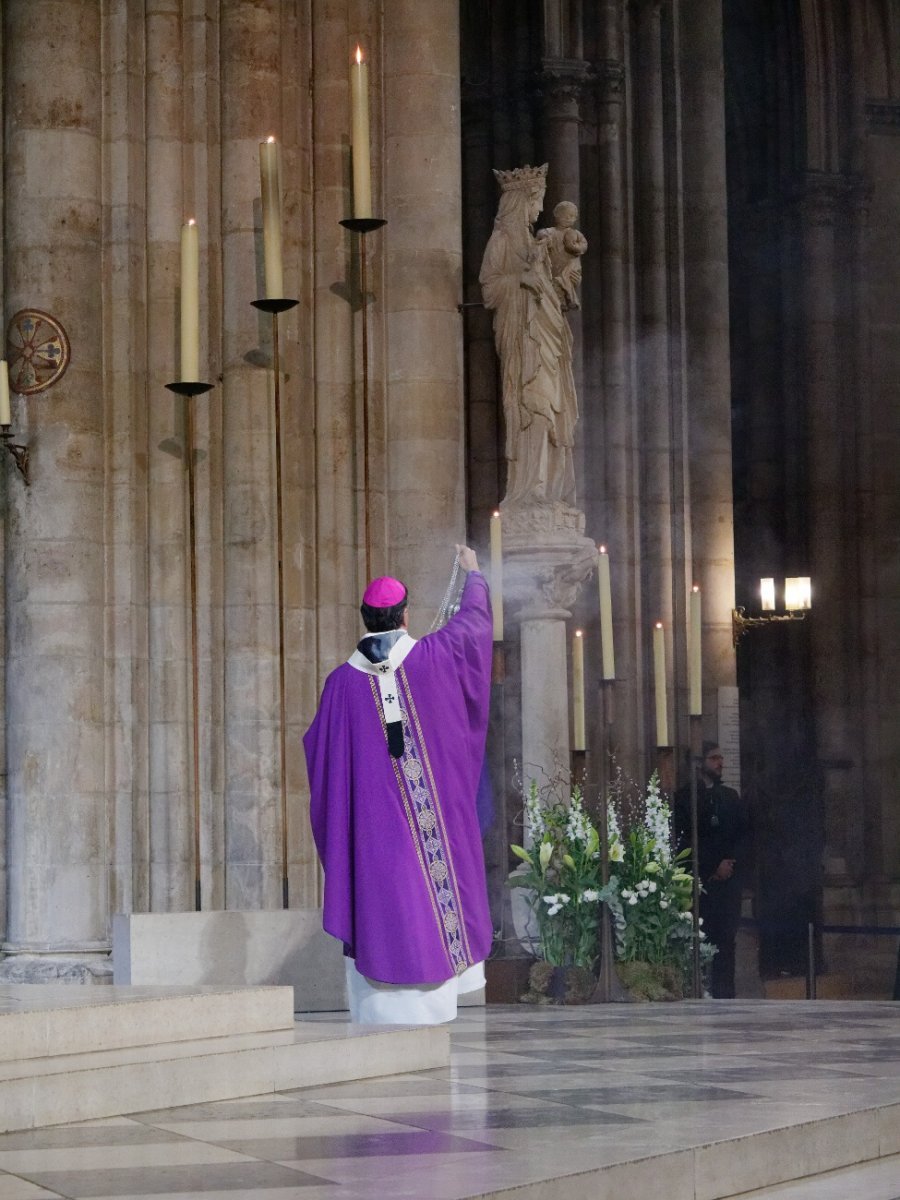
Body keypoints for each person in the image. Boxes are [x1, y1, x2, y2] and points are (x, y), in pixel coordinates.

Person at [303, 546, 493, 1024]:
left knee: (380, 909)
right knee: (432, 901)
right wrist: (474, 576)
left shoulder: (340, 685)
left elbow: (320, 762)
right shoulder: (435, 657)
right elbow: (472, 627)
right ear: (405, 616)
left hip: (372, 839)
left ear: (365, 619)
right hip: (431, 831)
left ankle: (379, 1006)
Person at [479, 163, 579, 508]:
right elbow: (490, 289)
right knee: (533, 409)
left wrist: (561, 278)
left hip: (548, 340)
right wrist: (521, 280)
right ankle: (528, 489)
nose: (539, 209)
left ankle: (550, 489)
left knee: (552, 412)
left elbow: (553, 290)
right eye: (536, 200)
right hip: (524, 343)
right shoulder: (503, 240)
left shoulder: (539, 242)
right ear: (521, 201)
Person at [674, 742, 750, 999]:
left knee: (726, 942)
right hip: (702, 883)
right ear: (698, 763)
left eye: (721, 757)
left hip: (728, 884)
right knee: (699, 940)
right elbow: (685, 840)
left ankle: (726, 994)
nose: (720, 763)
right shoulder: (685, 797)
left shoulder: (730, 797)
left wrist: (730, 863)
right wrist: (711, 867)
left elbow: (743, 836)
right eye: (714, 758)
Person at [536, 200, 588, 311]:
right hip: (553, 267)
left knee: (565, 280)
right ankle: (561, 301)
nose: (569, 218)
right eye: (565, 215)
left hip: (569, 266)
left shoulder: (575, 234)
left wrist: (575, 247)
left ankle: (568, 299)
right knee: (556, 283)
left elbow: (584, 244)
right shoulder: (550, 232)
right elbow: (541, 235)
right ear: (556, 214)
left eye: (572, 216)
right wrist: (543, 236)